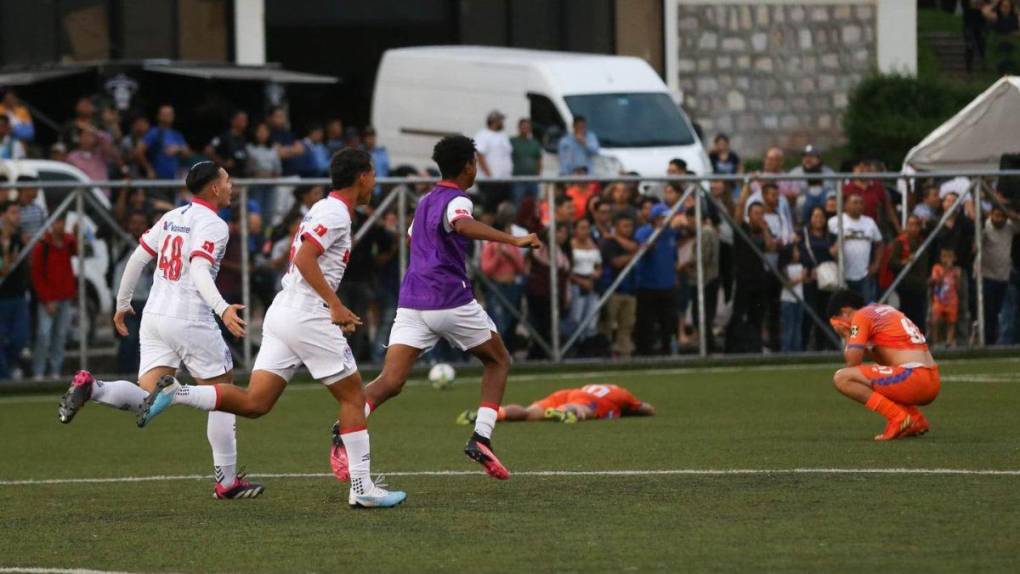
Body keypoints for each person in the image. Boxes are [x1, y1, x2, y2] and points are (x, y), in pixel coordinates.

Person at [135, 150, 406, 508]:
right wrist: (335, 305)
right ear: (363, 177)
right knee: (354, 398)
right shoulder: (336, 212)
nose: (375, 181)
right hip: (308, 314)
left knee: (254, 403)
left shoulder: (328, 209)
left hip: (285, 311)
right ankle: (362, 488)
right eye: (373, 175)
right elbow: (305, 258)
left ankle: (178, 394)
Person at [334, 136, 540, 482]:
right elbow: (461, 223)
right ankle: (481, 437)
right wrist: (512, 239)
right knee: (498, 360)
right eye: (475, 162)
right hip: (449, 299)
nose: (476, 168)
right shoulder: (458, 199)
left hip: (413, 300)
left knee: (391, 380)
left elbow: (415, 237)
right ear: (467, 166)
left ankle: (344, 428)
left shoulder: (426, 200)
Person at [56, 162, 261, 500]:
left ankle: (93, 388)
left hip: (154, 316)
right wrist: (222, 308)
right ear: (213, 188)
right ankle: (226, 483)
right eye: (226, 180)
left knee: (148, 396)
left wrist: (121, 304)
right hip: (190, 318)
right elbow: (198, 267)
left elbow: (138, 259)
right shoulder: (214, 224)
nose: (230, 185)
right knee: (223, 394)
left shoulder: (172, 217)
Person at [828, 289, 939, 440]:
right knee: (876, 372)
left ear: (845, 311)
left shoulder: (860, 316)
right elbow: (887, 358)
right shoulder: (882, 310)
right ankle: (915, 419)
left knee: (842, 378)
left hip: (915, 377)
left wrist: (847, 335)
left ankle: (898, 417)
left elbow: (852, 362)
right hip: (930, 377)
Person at [457, 383, 654, 425]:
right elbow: (646, 409)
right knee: (585, 410)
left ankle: (493, 414)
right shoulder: (622, 394)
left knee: (530, 412)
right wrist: (632, 409)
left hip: (567, 392)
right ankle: (563, 412)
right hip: (588, 400)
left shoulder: (596, 387)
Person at [31, 215, 77, 379]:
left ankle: (55, 370)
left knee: (60, 335)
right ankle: (39, 371)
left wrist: (76, 235)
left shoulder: (67, 242)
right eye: (56, 222)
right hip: (49, 298)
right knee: (44, 335)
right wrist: (46, 299)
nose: (59, 225)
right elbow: (37, 275)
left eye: (62, 222)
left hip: (64, 296)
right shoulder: (43, 246)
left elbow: (77, 251)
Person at [112, 211, 154, 375]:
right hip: (127, 299)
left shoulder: (152, 243)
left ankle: (140, 374)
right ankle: (124, 373)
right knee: (127, 339)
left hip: (146, 298)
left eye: (141, 223)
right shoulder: (122, 241)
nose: (137, 226)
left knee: (143, 341)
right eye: (134, 223)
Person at [634, 203, 680, 356]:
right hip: (648, 285)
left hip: (667, 285)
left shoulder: (671, 233)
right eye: (662, 217)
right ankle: (645, 352)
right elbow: (642, 248)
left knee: (668, 322)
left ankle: (667, 350)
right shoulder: (644, 232)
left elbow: (673, 257)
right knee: (646, 322)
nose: (666, 220)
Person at [828, 194, 883, 302]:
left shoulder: (869, 222)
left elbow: (879, 244)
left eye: (861, 203)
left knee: (867, 310)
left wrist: (876, 264)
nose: (859, 206)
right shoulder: (834, 222)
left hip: (864, 275)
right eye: (855, 202)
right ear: (846, 205)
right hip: (840, 275)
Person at [599, 213, 639, 358]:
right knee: (609, 325)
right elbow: (616, 262)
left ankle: (625, 353)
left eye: (630, 226)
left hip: (630, 290)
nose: (628, 229)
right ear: (616, 227)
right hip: (613, 289)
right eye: (625, 226)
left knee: (626, 325)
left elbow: (636, 247)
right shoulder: (609, 244)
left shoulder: (632, 242)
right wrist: (634, 255)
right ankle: (606, 353)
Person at [980, 205, 1020, 344]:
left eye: (1002, 216)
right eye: (996, 216)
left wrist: (1013, 215)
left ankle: (1004, 342)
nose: (999, 219)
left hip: (1004, 276)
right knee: (989, 313)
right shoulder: (985, 227)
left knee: (1005, 312)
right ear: (991, 215)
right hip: (987, 276)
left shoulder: (1009, 226)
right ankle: (988, 342)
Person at [0, 201, 29, 380]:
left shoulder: (21, 238)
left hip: (18, 295)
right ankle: (4, 378)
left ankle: (9, 370)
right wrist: (6, 253)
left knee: (19, 338)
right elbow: (4, 269)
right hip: (2, 297)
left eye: (18, 213)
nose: (17, 216)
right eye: (13, 213)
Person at [888, 214, 929, 336]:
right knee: (907, 314)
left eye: (916, 225)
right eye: (911, 225)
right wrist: (904, 262)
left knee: (920, 315)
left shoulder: (923, 243)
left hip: (920, 285)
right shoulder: (900, 242)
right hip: (906, 286)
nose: (914, 228)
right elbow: (891, 263)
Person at [568, 218, 602, 347]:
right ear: (575, 230)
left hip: (592, 283)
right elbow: (567, 269)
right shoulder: (571, 245)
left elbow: (598, 265)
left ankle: (588, 344)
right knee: (576, 317)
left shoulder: (593, 244)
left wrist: (597, 274)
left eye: (587, 228)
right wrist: (580, 281)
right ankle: (575, 344)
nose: (585, 231)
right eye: (582, 228)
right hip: (576, 283)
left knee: (591, 317)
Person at [136, 105, 191, 180]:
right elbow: (139, 151)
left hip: (174, 178)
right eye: (165, 114)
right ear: (159, 116)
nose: (168, 116)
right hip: (158, 179)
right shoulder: (154, 133)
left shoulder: (176, 134)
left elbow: (187, 154)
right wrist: (149, 169)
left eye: (170, 114)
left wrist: (178, 149)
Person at [474, 110, 513, 212]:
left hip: (504, 181)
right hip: (490, 181)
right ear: (494, 121)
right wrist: (489, 175)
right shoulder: (483, 135)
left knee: (501, 210)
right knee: (489, 210)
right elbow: (480, 155)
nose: (503, 123)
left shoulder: (503, 135)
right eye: (501, 120)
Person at [929, 248, 961, 348]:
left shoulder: (956, 270)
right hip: (939, 299)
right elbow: (936, 282)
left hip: (951, 300)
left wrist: (957, 277)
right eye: (944, 257)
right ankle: (935, 341)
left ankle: (949, 341)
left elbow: (958, 287)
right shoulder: (937, 268)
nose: (947, 259)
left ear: (954, 258)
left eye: (949, 257)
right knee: (935, 320)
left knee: (951, 322)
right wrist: (946, 270)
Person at [206, 110, 250, 177]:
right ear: (233, 120)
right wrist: (223, 163)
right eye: (241, 119)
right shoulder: (222, 137)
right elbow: (208, 150)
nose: (244, 122)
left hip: (240, 176)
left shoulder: (244, 139)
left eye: (245, 119)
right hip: (225, 176)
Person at [779, 244, 806, 352]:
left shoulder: (800, 266)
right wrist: (801, 278)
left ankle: (796, 349)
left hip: (799, 299)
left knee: (797, 326)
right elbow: (787, 283)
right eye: (795, 251)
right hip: (788, 300)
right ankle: (786, 350)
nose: (798, 254)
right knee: (788, 327)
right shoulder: (785, 268)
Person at [510, 117, 542, 203]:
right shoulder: (512, 141)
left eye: (527, 127)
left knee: (534, 203)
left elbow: (538, 159)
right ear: (519, 128)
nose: (525, 129)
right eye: (523, 127)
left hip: (533, 179)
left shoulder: (534, 143)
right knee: (518, 202)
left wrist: (538, 175)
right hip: (518, 179)